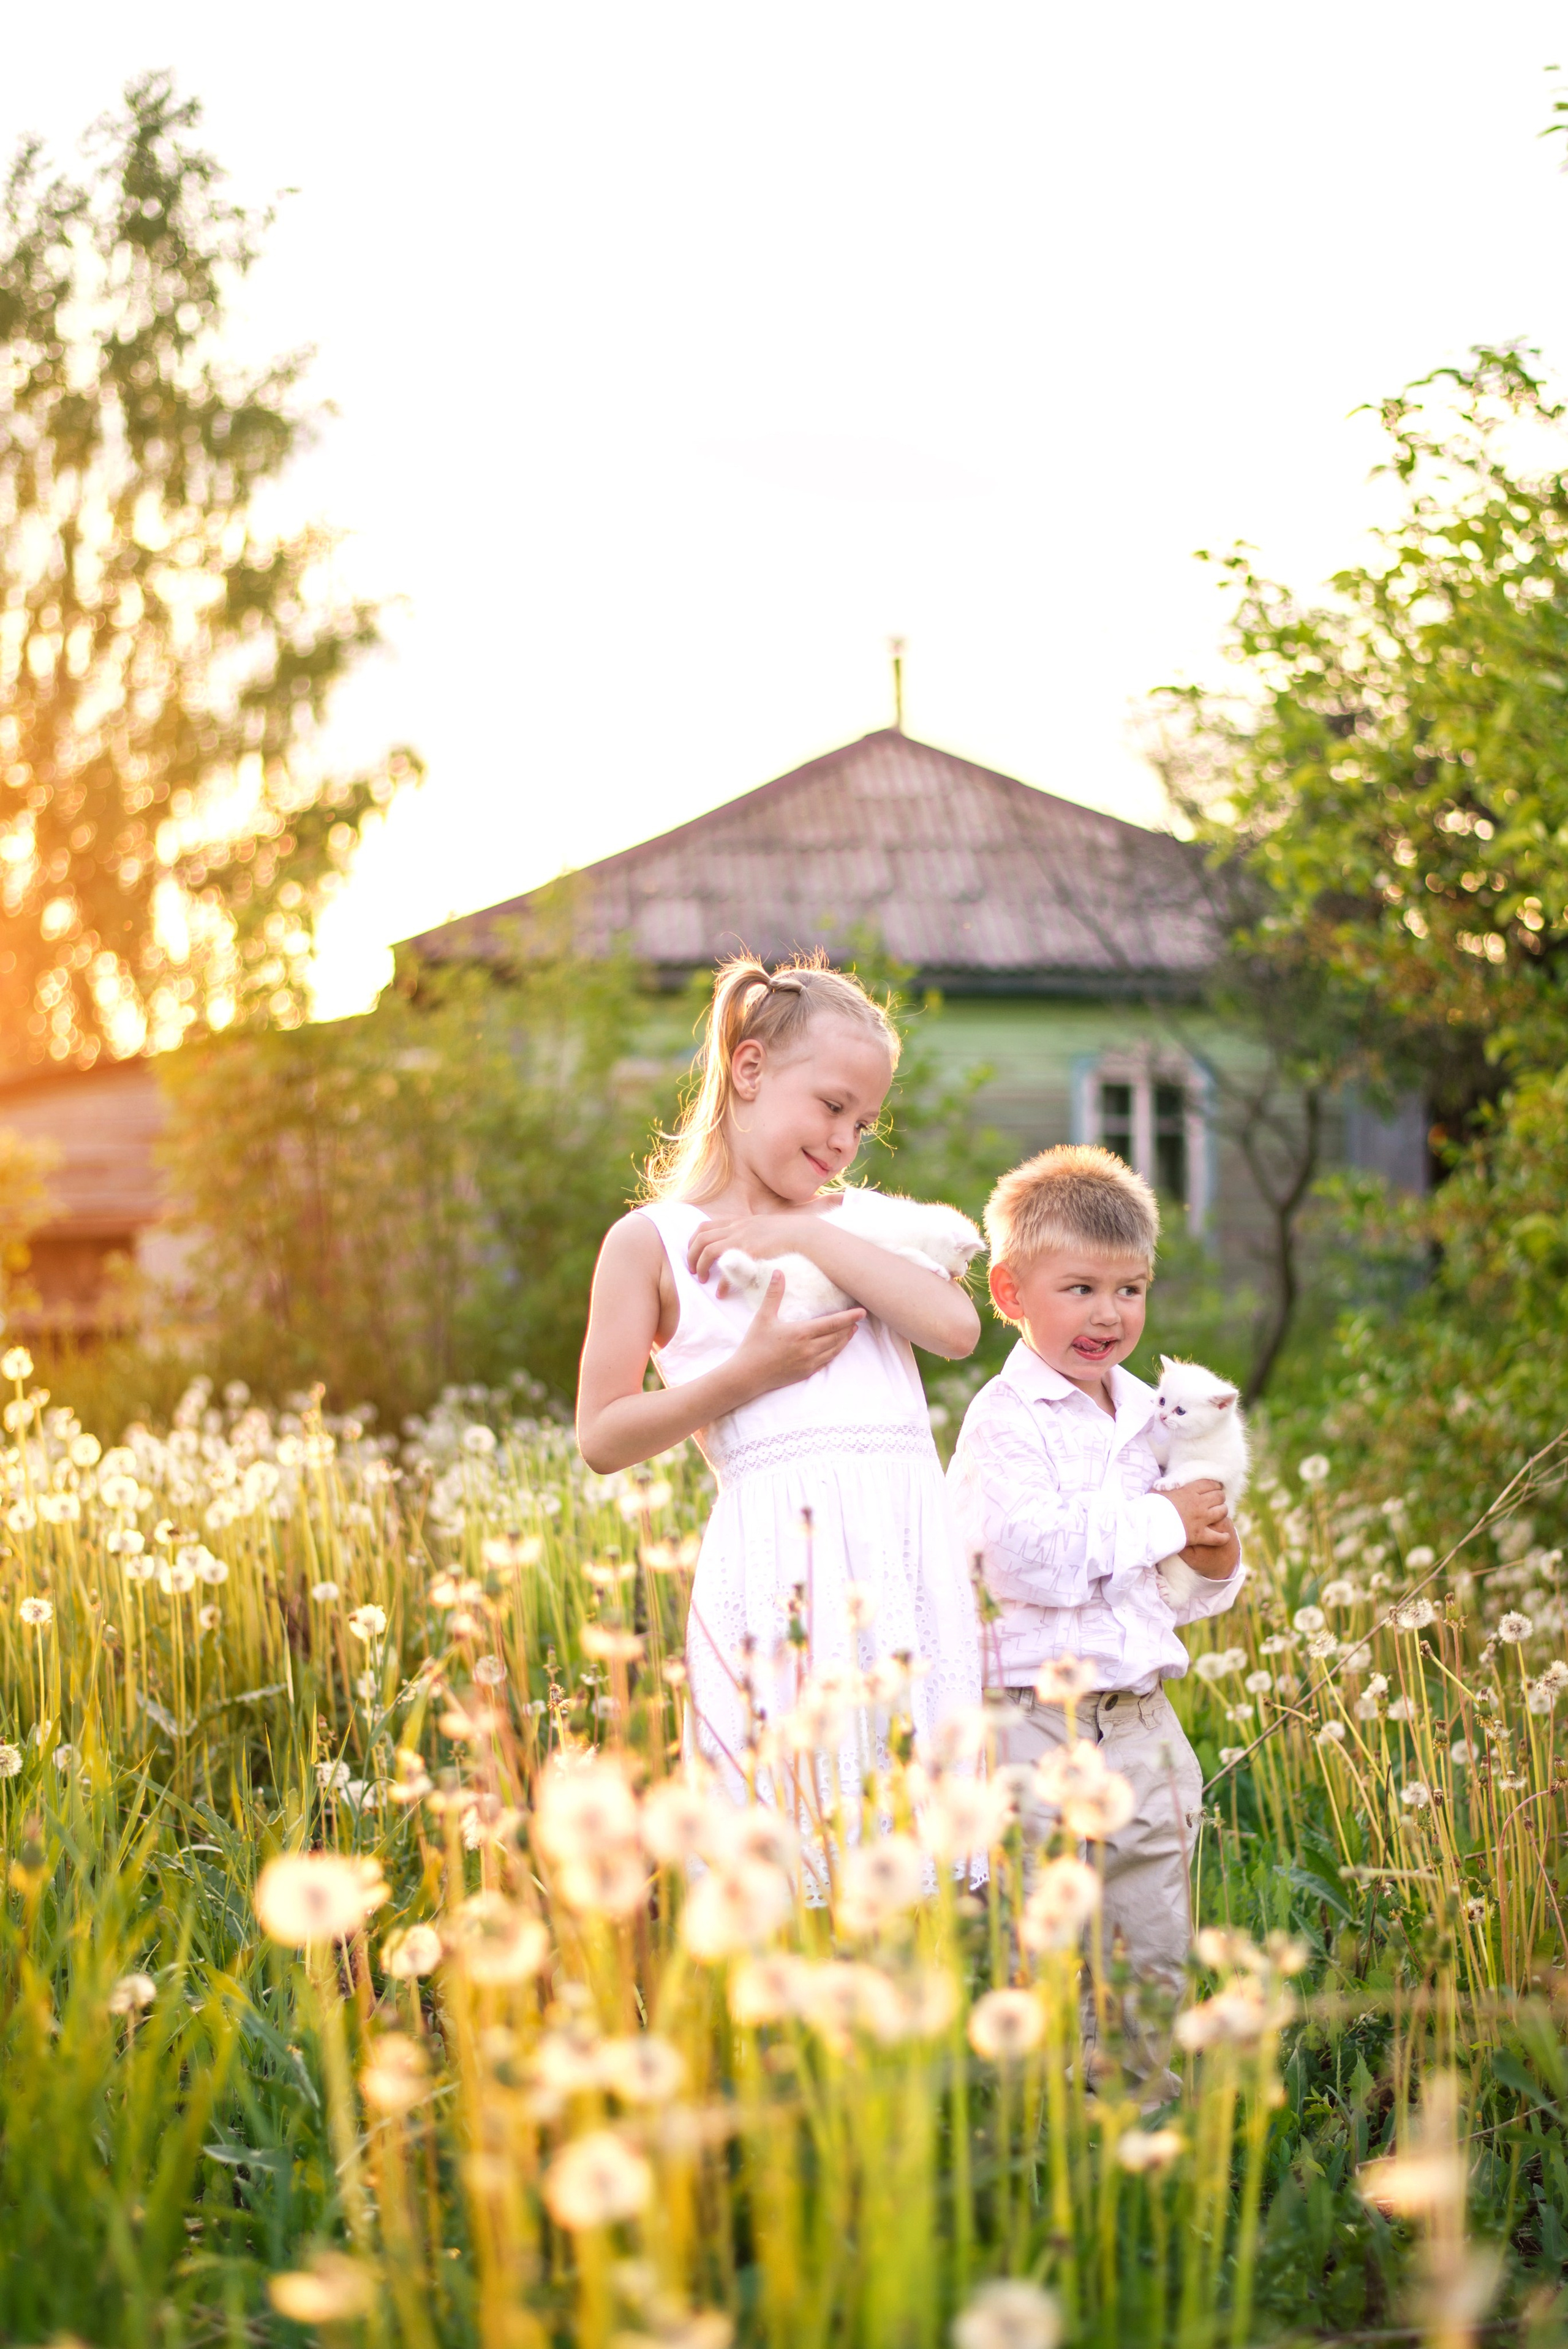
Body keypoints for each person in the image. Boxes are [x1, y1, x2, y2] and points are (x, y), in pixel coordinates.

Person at [577, 952, 986, 1818]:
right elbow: (602, 1435)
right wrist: (745, 1376)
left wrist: (809, 1237)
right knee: (797, 1826)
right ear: (751, 1068)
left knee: (915, 1836)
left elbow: (956, 1330)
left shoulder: (864, 1223)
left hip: (900, 1560)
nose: (844, 1141)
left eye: (863, 1124)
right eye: (832, 1106)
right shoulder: (651, 1243)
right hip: (780, 1568)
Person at [947, 1144, 1245, 2078]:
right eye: (1079, 1289)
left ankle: (1135, 2123)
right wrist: (1166, 1520)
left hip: (1143, 1723)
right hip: (1033, 1722)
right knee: (1036, 1947)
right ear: (1011, 1292)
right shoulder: (1005, 1419)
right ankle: (1037, 2130)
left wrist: (1214, 1560)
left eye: (1131, 1290)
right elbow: (1030, 1557)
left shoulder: (1154, 1418)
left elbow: (1172, 1586)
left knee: (1151, 1953)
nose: (1109, 1315)